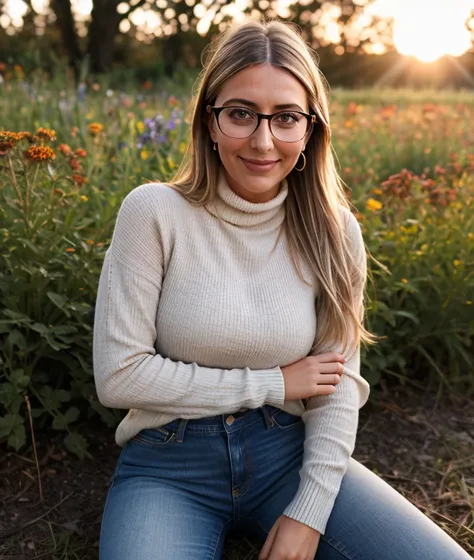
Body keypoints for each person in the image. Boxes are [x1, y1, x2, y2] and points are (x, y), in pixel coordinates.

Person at [92, 19, 470, 560]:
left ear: (311, 128)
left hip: (285, 455)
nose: (264, 140)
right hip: (168, 465)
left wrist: (308, 512)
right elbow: (120, 375)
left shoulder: (335, 231)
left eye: (287, 118)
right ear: (210, 122)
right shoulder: (154, 212)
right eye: (241, 113)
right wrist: (275, 382)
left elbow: (337, 386)